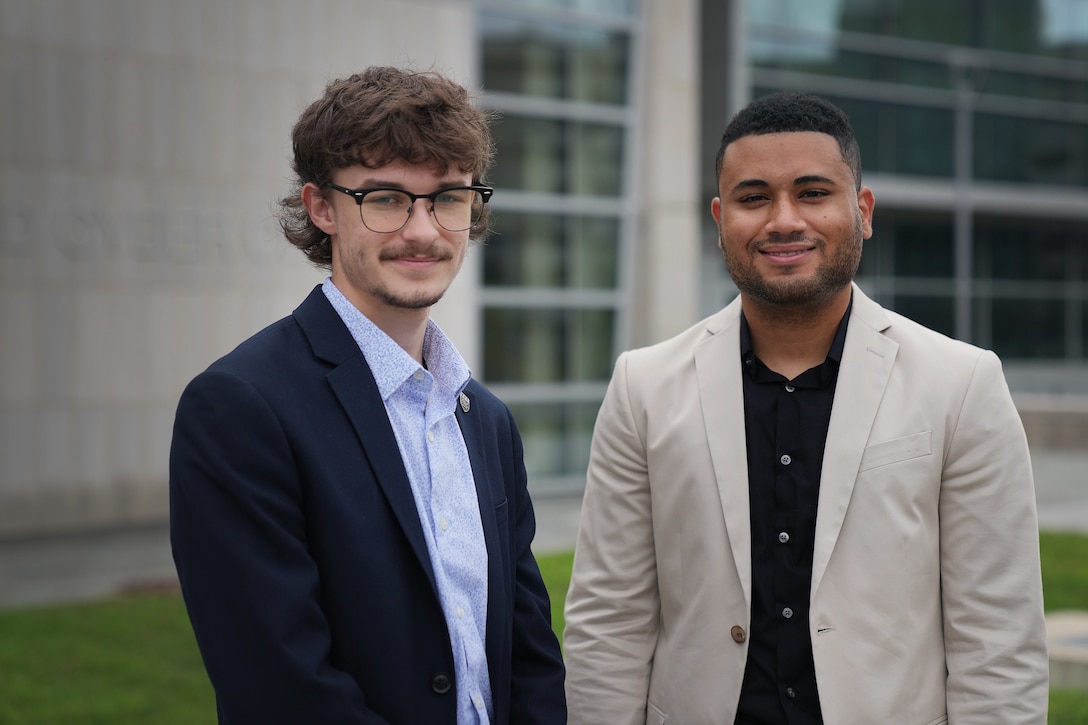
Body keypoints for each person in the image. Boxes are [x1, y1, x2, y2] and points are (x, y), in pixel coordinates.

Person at [563, 91, 1049, 724]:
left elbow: (998, 636)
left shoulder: (961, 384)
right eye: (753, 196)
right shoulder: (643, 387)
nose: (783, 220)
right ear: (720, 218)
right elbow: (609, 620)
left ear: (863, 210)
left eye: (814, 193)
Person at [169, 66, 566, 724]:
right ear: (322, 206)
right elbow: (280, 686)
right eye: (385, 198)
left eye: (447, 197)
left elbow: (529, 657)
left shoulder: (486, 420)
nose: (422, 230)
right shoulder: (240, 408)